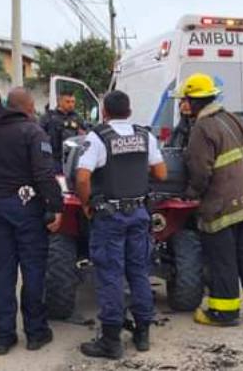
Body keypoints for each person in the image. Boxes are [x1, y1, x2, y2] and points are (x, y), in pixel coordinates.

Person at [174, 73, 243, 327]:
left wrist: (191, 194)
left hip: (220, 208)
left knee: (222, 260)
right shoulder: (233, 119)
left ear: (194, 101)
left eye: (184, 100)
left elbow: (200, 170)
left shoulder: (202, 127)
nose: (183, 105)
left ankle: (224, 312)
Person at [0, 87, 63, 355]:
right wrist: (55, 206)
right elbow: (45, 174)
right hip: (27, 209)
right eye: (33, 105)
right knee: (33, 270)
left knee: (4, 272)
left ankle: (3, 337)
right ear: (27, 106)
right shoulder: (33, 132)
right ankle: (35, 332)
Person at [75, 90, 167, 359]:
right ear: (129, 111)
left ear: (104, 111)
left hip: (110, 217)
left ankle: (111, 341)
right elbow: (161, 173)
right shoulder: (144, 135)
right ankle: (142, 334)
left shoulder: (98, 137)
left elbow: (82, 178)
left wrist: (85, 203)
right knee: (139, 272)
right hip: (139, 213)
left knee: (110, 275)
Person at [39, 91, 86, 173]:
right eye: (67, 102)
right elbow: (39, 136)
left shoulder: (77, 118)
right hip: (54, 158)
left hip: (71, 158)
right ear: (59, 102)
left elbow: (85, 134)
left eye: (73, 102)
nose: (71, 104)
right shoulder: (49, 117)